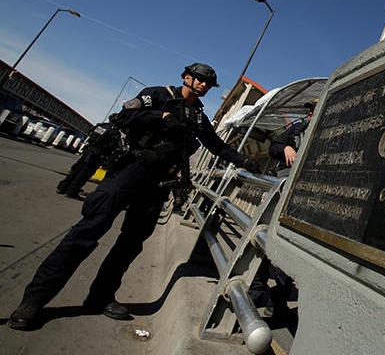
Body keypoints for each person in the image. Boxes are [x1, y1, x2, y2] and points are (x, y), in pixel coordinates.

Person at [8, 63, 258, 330]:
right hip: (130, 171)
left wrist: (245, 161)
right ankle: (34, 300)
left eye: (208, 83)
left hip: (158, 184)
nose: (203, 85)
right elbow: (123, 118)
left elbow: (217, 146)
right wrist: (158, 117)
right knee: (86, 232)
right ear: (186, 77)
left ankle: (101, 296)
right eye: (199, 79)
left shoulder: (197, 116)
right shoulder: (158, 95)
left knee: (130, 244)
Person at [250, 99, 317, 320]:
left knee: (289, 247)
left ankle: (278, 300)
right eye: (311, 110)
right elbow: (273, 148)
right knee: (264, 238)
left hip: (306, 199)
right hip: (282, 191)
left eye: (316, 109)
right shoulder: (296, 129)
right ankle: (256, 289)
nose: (311, 114)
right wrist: (286, 147)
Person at [56, 121, 122, 199]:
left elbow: (90, 132)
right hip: (97, 154)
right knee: (84, 173)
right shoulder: (114, 131)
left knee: (77, 169)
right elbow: (113, 145)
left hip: (88, 150)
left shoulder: (101, 125)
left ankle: (62, 187)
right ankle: (72, 191)